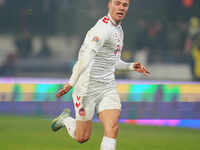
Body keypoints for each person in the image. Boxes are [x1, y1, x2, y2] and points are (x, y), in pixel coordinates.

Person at [51, 0, 150, 150]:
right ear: (109, 4)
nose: (121, 7)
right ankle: (65, 120)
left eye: (125, 4)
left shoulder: (119, 29)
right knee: (82, 137)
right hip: (86, 88)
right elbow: (86, 58)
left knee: (113, 127)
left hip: (107, 87)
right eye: (118, 3)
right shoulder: (102, 29)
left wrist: (130, 66)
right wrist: (71, 83)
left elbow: (112, 62)